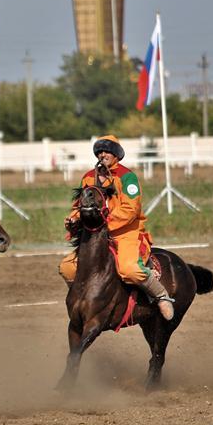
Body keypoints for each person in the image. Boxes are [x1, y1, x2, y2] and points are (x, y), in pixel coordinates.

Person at [58, 134, 175, 320]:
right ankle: (82, 297)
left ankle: (161, 296)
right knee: (67, 267)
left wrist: (104, 224)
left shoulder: (128, 177)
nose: (103, 154)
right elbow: (80, 206)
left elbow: (130, 210)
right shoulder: (88, 177)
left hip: (125, 234)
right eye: (99, 151)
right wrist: (73, 219)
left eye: (107, 151)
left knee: (130, 270)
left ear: (117, 155)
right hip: (94, 236)